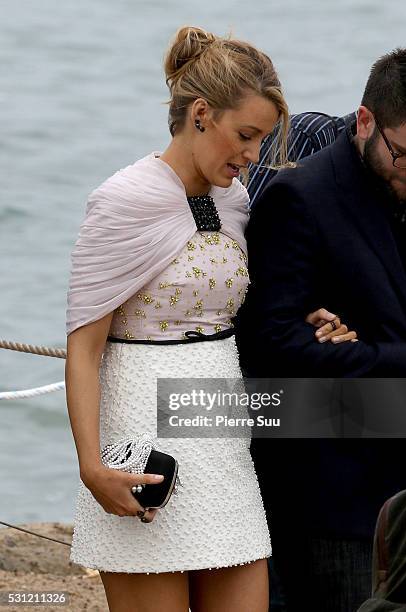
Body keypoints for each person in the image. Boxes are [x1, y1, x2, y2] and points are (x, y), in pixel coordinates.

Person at [65, 26, 357, 612]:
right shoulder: (124, 199)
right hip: (143, 431)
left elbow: (223, 298)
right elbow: (83, 346)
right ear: (201, 113)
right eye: (245, 136)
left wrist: (308, 318)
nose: (252, 156)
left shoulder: (234, 198)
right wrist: (93, 466)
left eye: (262, 141)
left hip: (221, 433)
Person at [235, 47, 406, 612]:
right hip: (337, 493)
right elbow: (270, 343)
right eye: (404, 155)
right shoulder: (300, 198)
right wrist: (393, 357)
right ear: (365, 122)